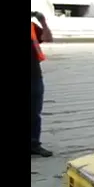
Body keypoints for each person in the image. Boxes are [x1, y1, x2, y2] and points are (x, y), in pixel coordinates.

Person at [31, 11, 54, 157]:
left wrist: (43, 22)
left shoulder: (32, 26)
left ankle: (34, 144)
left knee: (34, 112)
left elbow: (48, 38)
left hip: (34, 75)